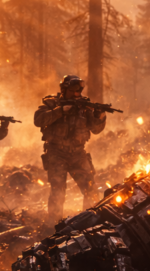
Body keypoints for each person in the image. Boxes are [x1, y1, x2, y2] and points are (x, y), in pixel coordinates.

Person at [34, 75, 106, 223]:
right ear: (63, 90)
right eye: (72, 91)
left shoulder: (84, 107)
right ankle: (54, 226)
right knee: (58, 192)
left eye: (78, 91)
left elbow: (96, 129)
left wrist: (100, 116)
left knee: (90, 189)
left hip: (78, 154)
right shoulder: (52, 103)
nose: (75, 94)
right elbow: (38, 120)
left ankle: (89, 222)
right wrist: (60, 111)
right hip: (56, 154)